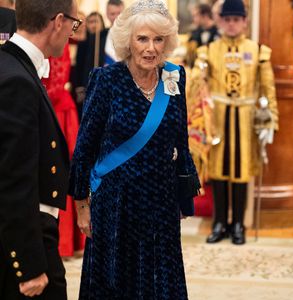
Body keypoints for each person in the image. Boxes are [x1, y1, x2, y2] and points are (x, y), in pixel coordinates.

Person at [69, 0, 200, 298]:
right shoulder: (107, 80)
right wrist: (81, 205)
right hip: (116, 205)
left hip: (161, 203)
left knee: (160, 284)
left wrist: (184, 198)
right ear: (128, 40)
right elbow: (85, 145)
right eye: (142, 38)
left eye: (158, 39)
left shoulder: (174, 77)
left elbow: (181, 139)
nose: (150, 48)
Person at [0, 0, 80, 298]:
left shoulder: (13, 65)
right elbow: (13, 182)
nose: (73, 32)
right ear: (58, 21)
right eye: (74, 24)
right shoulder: (17, 81)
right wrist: (29, 266)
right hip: (23, 241)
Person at [190, 0, 278, 245]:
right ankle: (219, 223)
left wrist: (270, 120)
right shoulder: (209, 50)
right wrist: (198, 74)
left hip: (246, 121)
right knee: (218, 172)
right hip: (217, 121)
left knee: (241, 171)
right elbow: (197, 80)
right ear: (220, 21)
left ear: (244, 22)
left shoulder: (258, 50)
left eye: (236, 20)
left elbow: (267, 89)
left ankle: (238, 223)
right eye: (227, 20)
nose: (231, 24)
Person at [42, 44, 85, 258]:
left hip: (56, 110)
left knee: (60, 171)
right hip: (40, 106)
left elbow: (58, 81)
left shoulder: (57, 40)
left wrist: (36, 102)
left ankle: (65, 243)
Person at [104, 0, 124, 65]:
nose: (116, 17)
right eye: (112, 14)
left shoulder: (133, 34)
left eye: (119, 13)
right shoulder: (99, 36)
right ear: (107, 15)